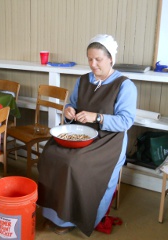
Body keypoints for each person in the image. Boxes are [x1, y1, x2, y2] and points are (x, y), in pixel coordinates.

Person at [37, 34, 137, 237]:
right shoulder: (83, 80)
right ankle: (53, 211)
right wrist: (68, 110)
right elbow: (71, 103)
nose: (92, 64)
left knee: (74, 163)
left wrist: (98, 117)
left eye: (98, 59)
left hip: (108, 140)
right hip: (81, 133)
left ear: (110, 59)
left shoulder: (125, 85)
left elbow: (126, 121)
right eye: (89, 59)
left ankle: (71, 217)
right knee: (50, 153)